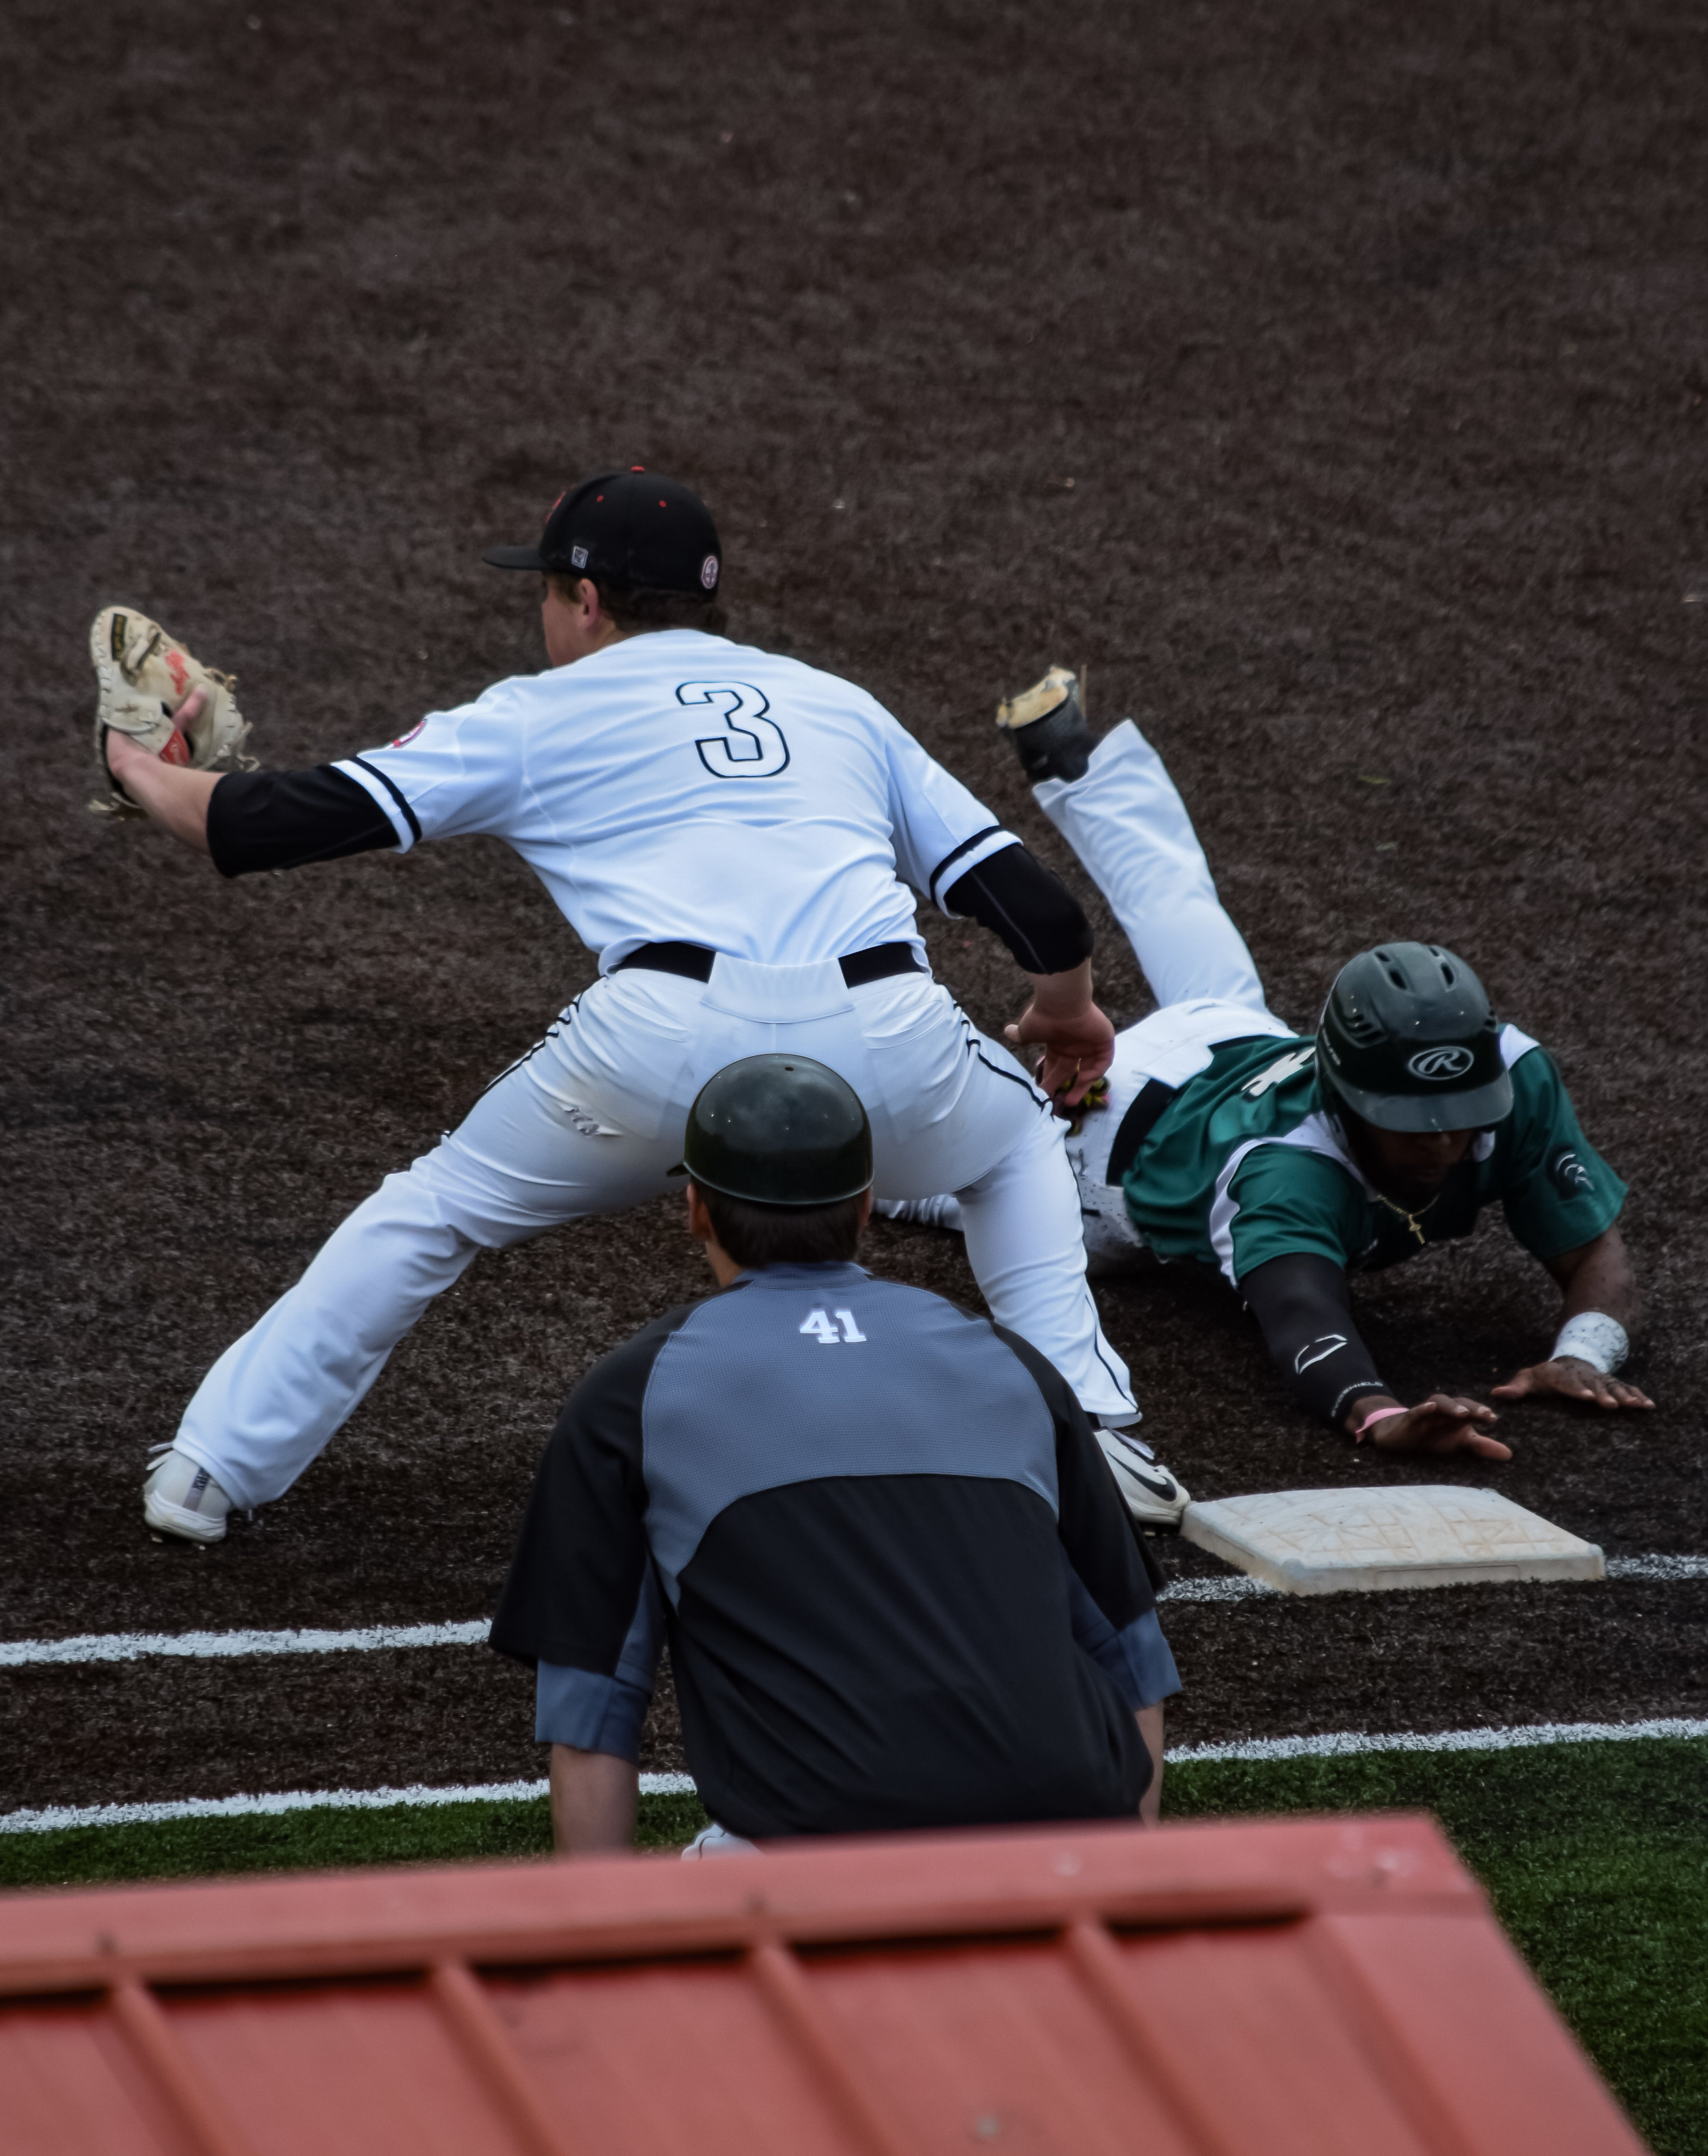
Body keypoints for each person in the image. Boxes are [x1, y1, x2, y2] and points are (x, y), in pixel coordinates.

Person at [96, 472, 1183, 1548]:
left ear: (585, 599)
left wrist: (139, 769)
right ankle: (1092, 1429)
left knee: (433, 1211)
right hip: (886, 1047)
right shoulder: (835, 702)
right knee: (1011, 1153)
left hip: (656, 1049)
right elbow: (1037, 911)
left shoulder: (533, 711)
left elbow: (263, 822)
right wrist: (1068, 1013)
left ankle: (212, 1469)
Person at [883, 670, 1651, 1466]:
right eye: (1412, 1122)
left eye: (1457, 1115)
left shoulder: (1512, 1077)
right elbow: (1300, 1317)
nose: (1443, 1143)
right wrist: (1380, 1415)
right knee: (922, 1183)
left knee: (1177, 898)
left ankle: (1074, 759)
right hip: (1103, 1144)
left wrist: (1582, 1355)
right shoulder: (1286, 1175)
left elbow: (1594, 1249)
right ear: (1346, 1097)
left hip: (1234, 1033)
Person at [488, 1054, 1180, 1854]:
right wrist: (1125, 1895)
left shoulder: (632, 1395)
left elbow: (592, 1714)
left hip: (825, 1869)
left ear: (696, 1211)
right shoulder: (1010, 1364)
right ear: (864, 1207)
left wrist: (600, 1971)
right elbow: (1132, 1657)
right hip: (1068, 1850)